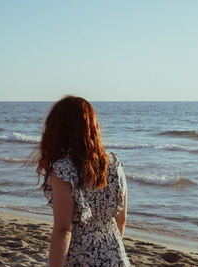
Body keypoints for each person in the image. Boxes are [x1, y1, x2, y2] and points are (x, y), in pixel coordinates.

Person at [35, 95, 130, 267]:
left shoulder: (63, 170)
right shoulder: (114, 165)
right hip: (116, 257)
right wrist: (109, 252)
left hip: (80, 259)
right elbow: (121, 220)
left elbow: (63, 230)